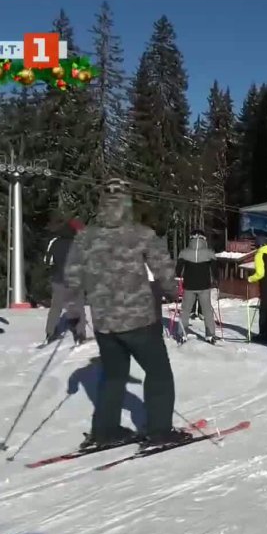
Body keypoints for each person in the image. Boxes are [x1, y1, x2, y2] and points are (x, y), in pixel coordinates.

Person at [64, 178, 190, 448]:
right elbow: (163, 268)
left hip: (104, 322)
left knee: (113, 374)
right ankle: (158, 431)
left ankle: (105, 430)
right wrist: (172, 291)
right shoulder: (141, 234)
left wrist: (75, 313)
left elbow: (72, 278)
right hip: (139, 320)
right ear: (128, 202)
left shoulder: (85, 237)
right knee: (158, 373)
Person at [43, 219, 88, 344]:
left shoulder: (54, 242)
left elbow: (47, 261)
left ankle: (50, 333)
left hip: (58, 280)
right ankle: (80, 334)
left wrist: (54, 270)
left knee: (56, 307)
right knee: (78, 307)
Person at [175, 229, 217, 344]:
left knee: (185, 311)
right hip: (204, 286)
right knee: (207, 311)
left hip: (189, 286)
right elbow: (215, 269)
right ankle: (210, 335)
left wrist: (179, 276)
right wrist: (217, 280)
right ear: (204, 239)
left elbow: (178, 270)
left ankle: (182, 333)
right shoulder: (209, 253)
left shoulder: (184, 252)